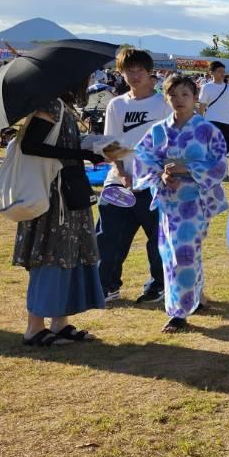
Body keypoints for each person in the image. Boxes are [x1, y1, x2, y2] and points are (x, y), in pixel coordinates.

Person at [14, 85, 123, 347]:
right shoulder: (50, 105)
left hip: (68, 191)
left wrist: (90, 148)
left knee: (68, 254)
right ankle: (35, 327)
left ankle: (59, 322)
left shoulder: (62, 107)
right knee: (51, 254)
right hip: (54, 195)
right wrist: (81, 154)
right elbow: (31, 146)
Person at [132, 75, 229, 332]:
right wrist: (161, 175)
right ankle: (190, 301)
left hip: (195, 201)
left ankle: (180, 312)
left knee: (183, 254)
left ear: (195, 98)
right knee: (173, 253)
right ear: (166, 98)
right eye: (173, 95)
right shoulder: (158, 131)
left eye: (185, 95)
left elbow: (219, 165)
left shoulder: (208, 131)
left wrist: (187, 169)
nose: (179, 100)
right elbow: (143, 159)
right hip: (169, 202)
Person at [97, 47, 170, 305]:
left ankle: (159, 285)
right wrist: (120, 171)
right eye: (130, 70)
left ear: (150, 72)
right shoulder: (117, 105)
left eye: (140, 70)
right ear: (121, 72)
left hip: (153, 185)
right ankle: (106, 286)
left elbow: (169, 145)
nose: (135, 75)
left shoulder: (163, 104)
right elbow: (111, 143)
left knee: (158, 240)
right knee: (108, 238)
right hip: (119, 183)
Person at [197, 60, 229, 151]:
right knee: (212, 147)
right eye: (219, 71)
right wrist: (199, 121)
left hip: (227, 122)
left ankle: (219, 164)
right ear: (211, 73)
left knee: (227, 146)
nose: (222, 74)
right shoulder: (206, 87)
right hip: (212, 120)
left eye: (223, 72)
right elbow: (202, 105)